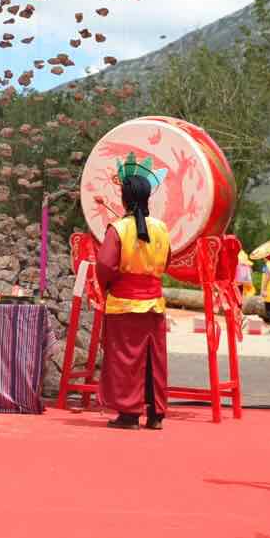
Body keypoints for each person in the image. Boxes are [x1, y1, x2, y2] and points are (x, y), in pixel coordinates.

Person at [90, 154, 171, 430]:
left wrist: (109, 286)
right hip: (154, 307)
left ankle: (128, 413)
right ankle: (155, 414)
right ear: (148, 198)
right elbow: (166, 262)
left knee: (126, 360)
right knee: (152, 360)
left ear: (124, 199)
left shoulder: (119, 229)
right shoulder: (161, 228)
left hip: (124, 305)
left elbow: (104, 265)